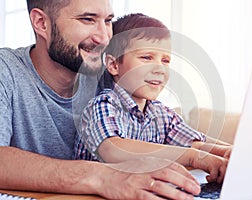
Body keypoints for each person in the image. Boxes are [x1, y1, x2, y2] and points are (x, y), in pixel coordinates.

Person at [0, 1, 202, 199]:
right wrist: (104, 178)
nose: (105, 38)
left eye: (108, 21)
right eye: (87, 19)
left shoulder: (107, 73)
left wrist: (219, 154)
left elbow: (166, 124)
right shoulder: (6, 70)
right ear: (41, 23)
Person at [75, 13, 232, 185]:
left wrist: (226, 152)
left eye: (165, 60)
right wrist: (194, 158)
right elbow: (113, 149)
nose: (159, 69)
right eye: (146, 57)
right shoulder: (103, 105)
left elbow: (195, 144)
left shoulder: (161, 113)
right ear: (113, 65)